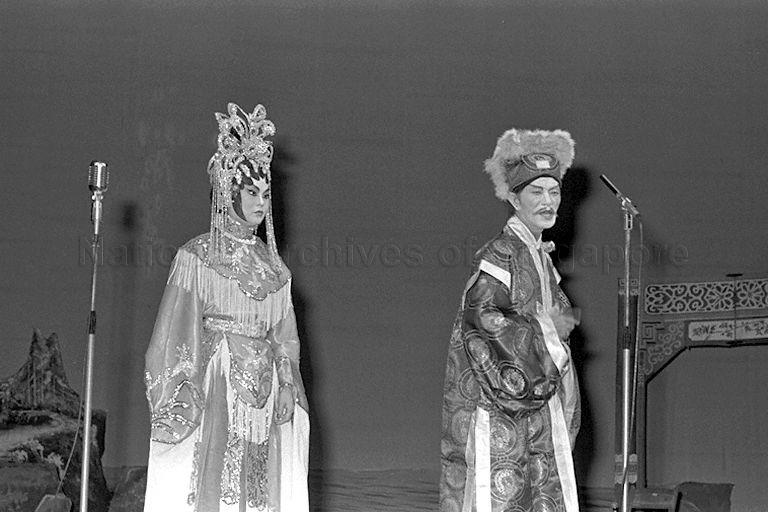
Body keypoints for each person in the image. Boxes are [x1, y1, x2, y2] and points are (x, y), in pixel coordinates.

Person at [143, 102, 309, 511]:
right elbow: (173, 336)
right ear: (228, 191)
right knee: (216, 478)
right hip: (217, 385)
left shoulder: (276, 271)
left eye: (266, 194)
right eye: (252, 192)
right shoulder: (197, 258)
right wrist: (184, 390)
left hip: (266, 393)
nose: (261, 203)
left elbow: (284, 340)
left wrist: (288, 383)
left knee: (261, 483)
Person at [440, 128, 581, 512]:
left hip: (540, 407)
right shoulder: (500, 254)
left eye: (554, 192)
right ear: (514, 197)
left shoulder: (543, 261)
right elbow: (481, 320)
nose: (548, 201)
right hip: (499, 405)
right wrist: (548, 331)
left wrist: (555, 330)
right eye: (537, 192)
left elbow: (561, 323)